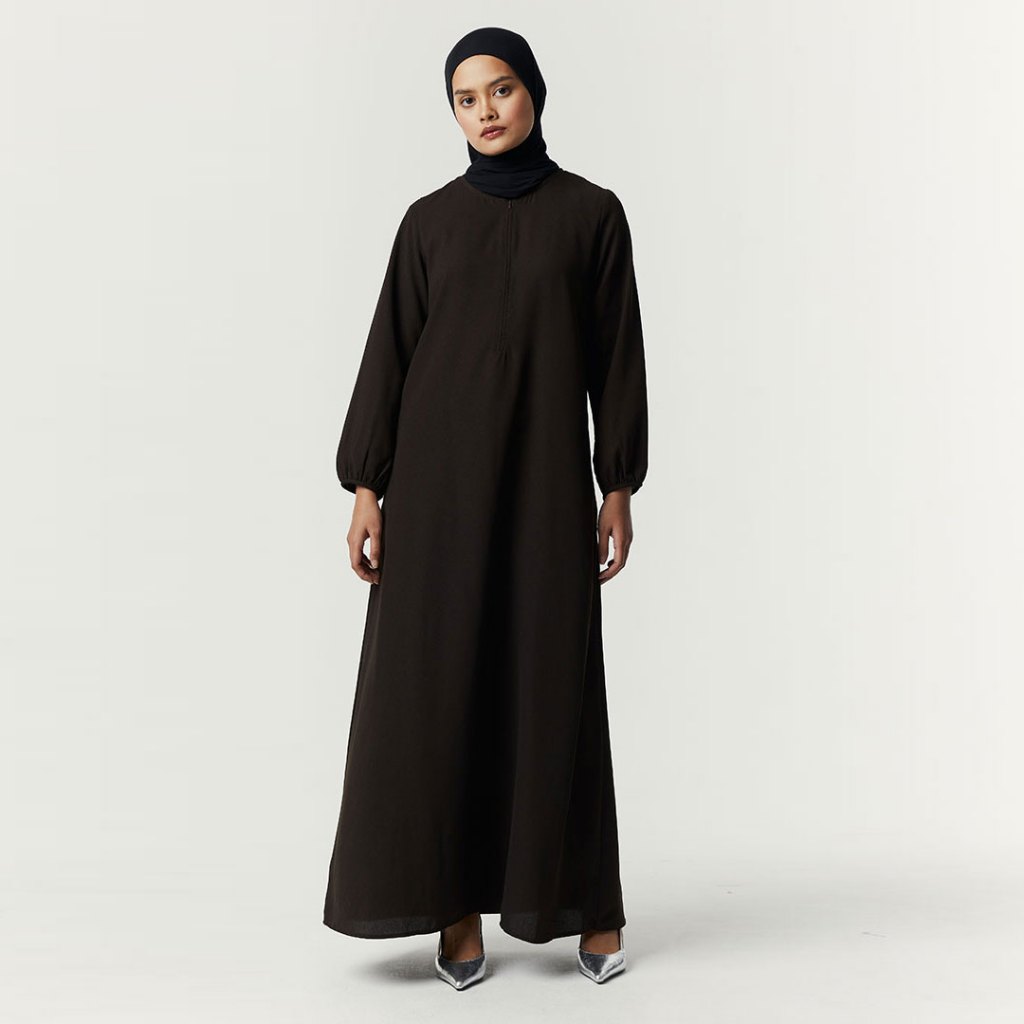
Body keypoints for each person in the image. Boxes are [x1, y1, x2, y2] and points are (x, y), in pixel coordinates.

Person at [322, 26, 648, 989]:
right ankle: (454, 909)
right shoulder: (428, 223)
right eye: (466, 99)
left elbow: (617, 358)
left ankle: (585, 902)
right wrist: (368, 487)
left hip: (545, 487)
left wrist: (617, 482)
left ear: (533, 92)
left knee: (554, 682)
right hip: (437, 496)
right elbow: (390, 355)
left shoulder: (592, 215)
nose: (486, 111)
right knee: (439, 690)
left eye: (501, 89)